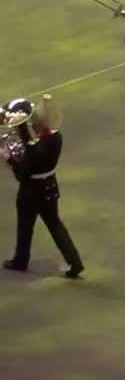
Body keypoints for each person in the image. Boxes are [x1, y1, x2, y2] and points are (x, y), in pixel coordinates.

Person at [3, 94, 84, 278]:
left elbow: (22, 174)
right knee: (55, 224)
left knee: (25, 226)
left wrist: (9, 158)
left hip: (31, 190)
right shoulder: (56, 138)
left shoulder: (35, 148)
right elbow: (34, 146)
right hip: (49, 185)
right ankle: (75, 261)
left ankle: (20, 260)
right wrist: (24, 134)